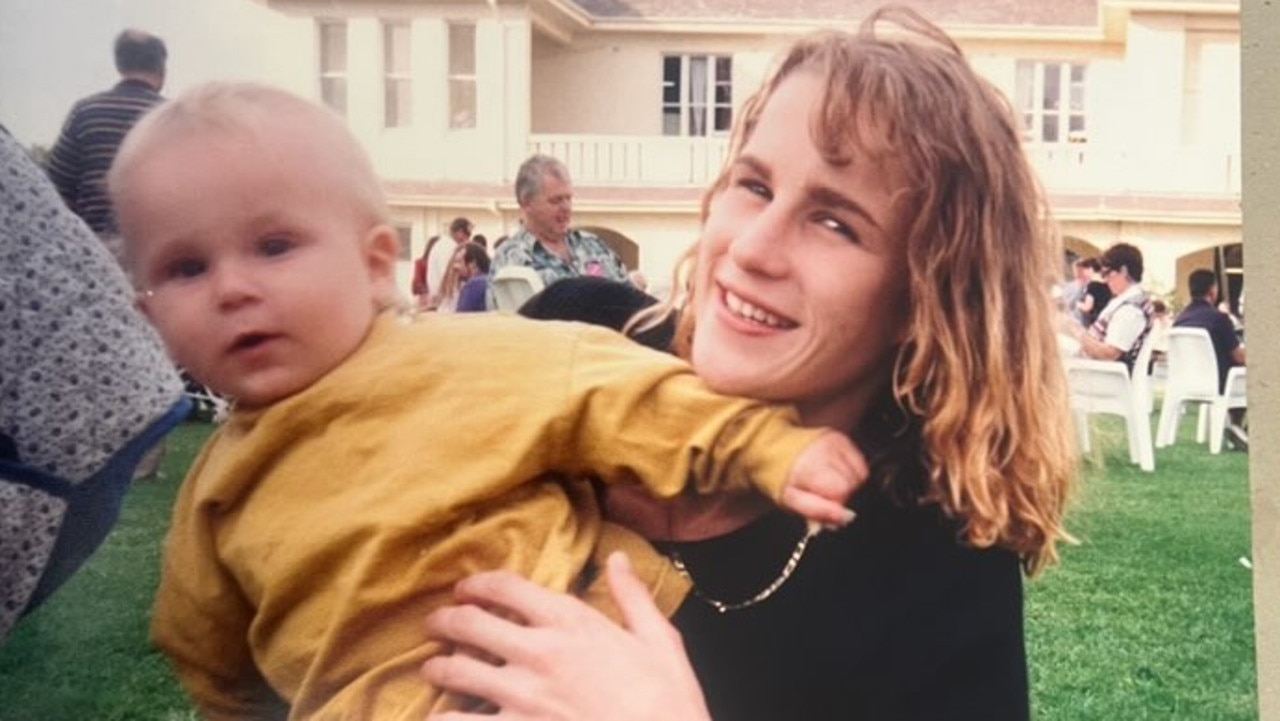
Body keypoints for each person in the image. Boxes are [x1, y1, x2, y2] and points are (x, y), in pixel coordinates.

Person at [106, 81, 865, 719]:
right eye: (185, 268)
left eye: (274, 247)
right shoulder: (214, 496)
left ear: (376, 264)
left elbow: (625, 394)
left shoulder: (471, 358)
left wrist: (772, 448)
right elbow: (210, 658)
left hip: (584, 654)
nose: (233, 288)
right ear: (147, 317)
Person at [422, 8, 1076, 720]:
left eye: (835, 222)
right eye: (755, 185)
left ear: (927, 299)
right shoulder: (577, 335)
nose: (752, 248)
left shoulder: (936, 567)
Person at [0, 125, 187, 644]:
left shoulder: (91, 114)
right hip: (97, 312)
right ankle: (149, 462)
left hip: (86, 307)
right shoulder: (164, 117)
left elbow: (56, 178)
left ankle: (146, 464)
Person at [45, 29, 167, 240]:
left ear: (120, 64)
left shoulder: (85, 111)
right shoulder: (170, 118)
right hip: (152, 250)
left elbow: (56, 189)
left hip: (92, 248)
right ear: (161, 69)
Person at [486, 154, 630, 308]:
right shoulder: (511, 260)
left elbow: (631, 302)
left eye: (569, 198)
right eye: (556, 201)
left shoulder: (594, 246)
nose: (566, 208)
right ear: (527, 203)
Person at [1174, 268, 1247, 448]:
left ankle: (1235, 428)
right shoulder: (1219, 318)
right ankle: (1239, 427)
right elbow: (1239, 357)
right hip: (1219, 381)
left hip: (1187, 381)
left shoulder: (1180, 319)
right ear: (1213, 290)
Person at [1068, 242, 1154, 372]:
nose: (1105, 279)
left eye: (1107, 273)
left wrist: (1075, 331)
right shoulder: (1126, 301)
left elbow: (1109, 354)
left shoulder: (1131, 310)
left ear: (1123, 271)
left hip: (1101, 377)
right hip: (1093, 371)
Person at [1073, 256, 1111, 328]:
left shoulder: (1092, 285)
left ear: (1090, 269)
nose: (1083, 273)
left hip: (1091, 322)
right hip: (1101, 321)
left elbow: (1087, 307)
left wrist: (1077, 304)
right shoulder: (1107, 285)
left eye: (1084, 270)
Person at [453, 242, 492, 313]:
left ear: (473, 264)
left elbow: (461, 319)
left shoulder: (473, 285)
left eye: (459, 262)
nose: (455, 266)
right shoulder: (490, 281)